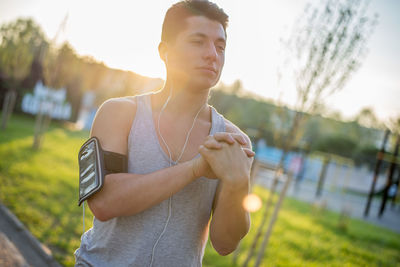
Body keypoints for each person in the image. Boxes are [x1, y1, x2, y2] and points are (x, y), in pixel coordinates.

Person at [74, 1, 254, 266]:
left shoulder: (232, 142)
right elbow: (104, 203)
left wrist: (238, 184)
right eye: (198, 41)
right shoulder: (118, 114)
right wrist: (194, 169)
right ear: (165, 51)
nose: (212, 55)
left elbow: (225, 244)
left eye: (220, 46)